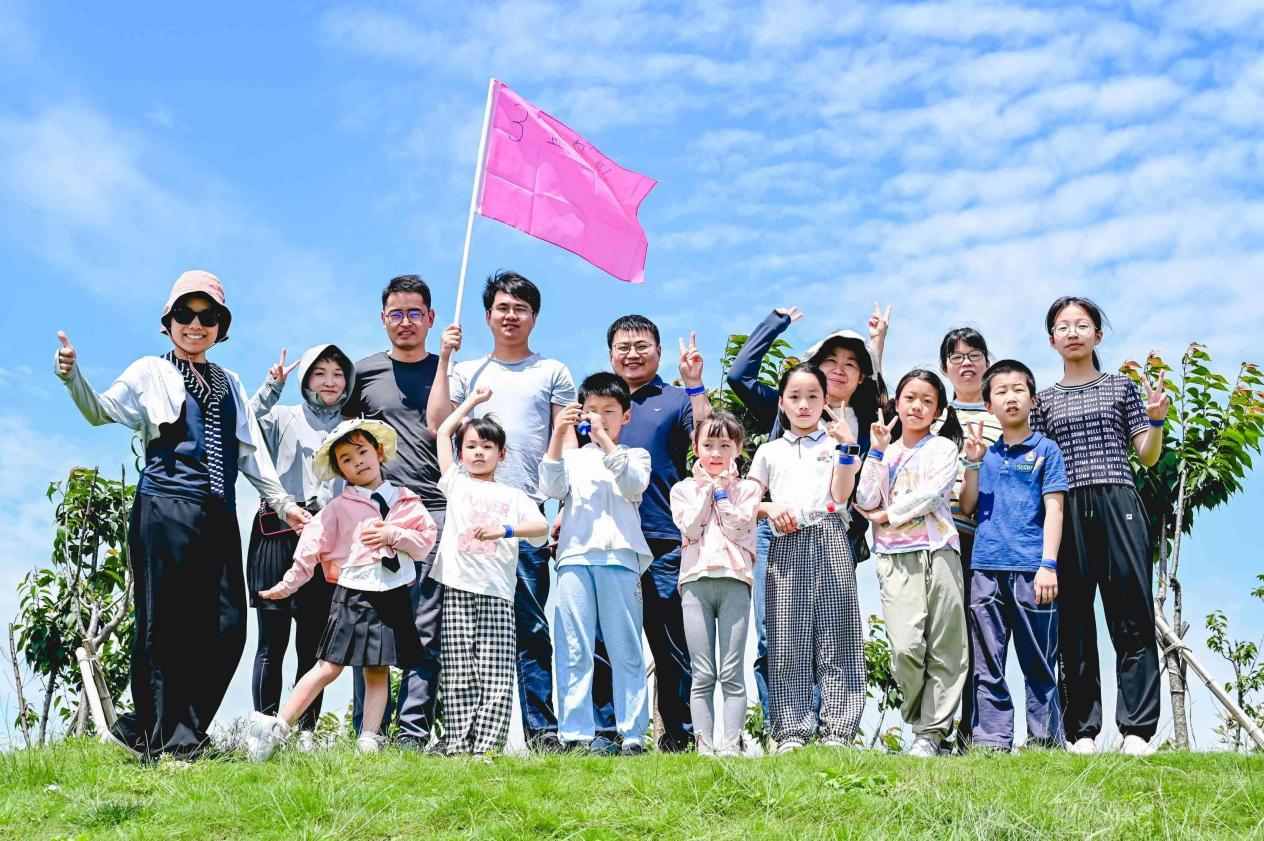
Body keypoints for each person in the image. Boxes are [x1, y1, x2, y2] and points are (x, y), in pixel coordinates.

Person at [55, 270, 310, 761]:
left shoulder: (230, 382)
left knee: (228, 625)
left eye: (207, 316)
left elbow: (251, 453)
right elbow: (99, 410)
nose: (196, 325)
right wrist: (72, 376)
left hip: (218, 512)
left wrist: (284, 504)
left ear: (220, 326)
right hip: (164, 507)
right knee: (165, 624)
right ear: (168, 321)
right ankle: (171, 743)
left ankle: (151, 727)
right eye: (185, 315)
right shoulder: (150, 370)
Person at [427, 270, 577, 751]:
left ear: (534, 316)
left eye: (521, 309)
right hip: (470, 519)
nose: (511, 316)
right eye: (502, 308)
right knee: (462, 634)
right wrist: (445, 358)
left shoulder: (552, 371)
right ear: (488, 315)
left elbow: (566, 439)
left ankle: (542, 731)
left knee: (530, 624)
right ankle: (459, 735)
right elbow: (438, 423)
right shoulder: (468, 370)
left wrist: (566, 503)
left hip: (525, 512)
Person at [725, 303, 889, 729]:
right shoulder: (788, 413)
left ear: (861, 376)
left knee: (830, 632)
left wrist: (878, 345)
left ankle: (826, 726)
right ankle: (785, 728)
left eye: (851, 364)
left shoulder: (867, 419)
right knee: (776, 633)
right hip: (779, 532)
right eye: (831, 360)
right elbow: (740, 376)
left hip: (835, 534)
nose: (840, 370)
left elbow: (881, 392)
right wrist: (774, 323)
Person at [246, 419, 438, 760]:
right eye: (346, 459)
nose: (357, 462)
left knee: (377, 668)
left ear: (379, 453)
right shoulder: (338, 508)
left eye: (362, 452)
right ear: (340, 472)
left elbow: (425, 542)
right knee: (328, 666)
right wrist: (288, 585)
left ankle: (369, 739)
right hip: (354, 593)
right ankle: (277, 727)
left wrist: (394, 535)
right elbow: (310, 547)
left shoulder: (406, 500)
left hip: (392, 592)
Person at [1033, 296, 1168, 756]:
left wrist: (1156, 421)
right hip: (1066, 507)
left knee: (1132, 615)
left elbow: (1147, 456)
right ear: (1051, 340)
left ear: (1098, 334)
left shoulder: (1120, 387)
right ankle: (1082, 731)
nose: (1072, 333)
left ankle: (1137, 730)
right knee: (1072, 618)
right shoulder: (1043, 401)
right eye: (1063, 326)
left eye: (1081, 325)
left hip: (1119, 501)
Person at [589, 314, 712, 753]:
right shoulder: (596, 403)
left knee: (670, 640)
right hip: (606, 539)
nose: (632, 354)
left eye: (642, 346)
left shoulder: (676, 399)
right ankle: (606, 734)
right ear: (610, 354)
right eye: (623, 347)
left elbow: (707, 440)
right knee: (605, 640)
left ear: (658, 352)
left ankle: (678, 734)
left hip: (662, 536)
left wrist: (694, 384)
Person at [340, 275, 447, 748]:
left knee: (426, 623)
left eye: (414, 313)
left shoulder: (447, 371)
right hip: (374, 511)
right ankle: (369, 731)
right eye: (396, 314)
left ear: (430, 318)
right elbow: (342, 443)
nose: (406, 322)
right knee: (372, 622)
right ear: (383, 319)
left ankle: (412, 732)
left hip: (432, 508)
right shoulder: (363, 373)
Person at [748, 363, 866, 753]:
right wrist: (769, 507)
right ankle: (791, 731)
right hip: (786, 538)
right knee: (786, 637)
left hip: (830, 533)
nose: (804, 405)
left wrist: (848, 447)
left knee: (838, 634)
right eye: (795, 397)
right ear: (782, 403)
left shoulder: (836, 444)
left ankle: (838, 730)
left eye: (813, 396)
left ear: (825, 400)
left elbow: (841, 494)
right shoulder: (769, 450)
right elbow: (748, 500)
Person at [244, 344, 353, 752]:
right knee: (271, 641)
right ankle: (262, 729)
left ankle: (304, 732)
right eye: (319, 373)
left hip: (328, 542)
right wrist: (271, 387)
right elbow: (241, 423)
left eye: (338, 374)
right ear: (305, 380)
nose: (330, 381)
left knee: (313, 644)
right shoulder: (282, 417)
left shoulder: (352, 427)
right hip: (277, 532)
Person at [432, 387, 550, 757]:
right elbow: (442, 432)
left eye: (487, 446)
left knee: (496, 672)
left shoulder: (514, 496)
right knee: (458, 671)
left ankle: (486, 748)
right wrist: (471, 404)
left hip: (498, 592)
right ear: (461, 453)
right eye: (471, 446)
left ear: (502, 454)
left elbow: (542, 529)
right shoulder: (456, 483)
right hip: (457, 588)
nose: (478, 452)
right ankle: (457, 744)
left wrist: (506, 530)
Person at [539, 373, 653, 754]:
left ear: (626, 416)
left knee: (626, 649)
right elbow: (550, 487)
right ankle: (575, 733)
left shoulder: (636, 455)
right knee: (573, 647)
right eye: (591, 411)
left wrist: (604, 440)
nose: (599, 419)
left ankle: (633, 734)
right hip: (574, 557)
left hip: (620, 557)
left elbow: (633, 485)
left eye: (609, 412)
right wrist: (558, 434)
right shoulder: (572, 458)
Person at [854, 369, 966, 758]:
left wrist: (889, 514)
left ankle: (930, 733)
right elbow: (864, 500)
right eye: (910, 398)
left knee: (946, 645)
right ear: (896, 403)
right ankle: (922, 720)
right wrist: (876, 452)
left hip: (939, 550)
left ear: (938, 411)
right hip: (894, 557)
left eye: (927, 401)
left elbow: (934, 494)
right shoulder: (884, 451)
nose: (917, 406)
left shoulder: (943, 448)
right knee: (905, 647)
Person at [958, 360, 1068, 752]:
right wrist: (972, 463)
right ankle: (991, 740)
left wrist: (1048, 564)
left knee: (1039, 660)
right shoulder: (983, 454)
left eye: (1018, 389)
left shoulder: (1047, 451)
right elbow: (967, 506)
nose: (1011, 397)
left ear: (1033, 399)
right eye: (1001, 391)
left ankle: (1045, 741)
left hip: (1032, 570)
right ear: (988, 405)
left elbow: (1055, 509)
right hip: (985, 569)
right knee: (987, 661)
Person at [670, 411, 761, 756]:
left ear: (738, 448)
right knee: (703, 671)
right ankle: (704, 746)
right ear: (695, 448)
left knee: (732, 670)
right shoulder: (683, 489)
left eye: (725, 445)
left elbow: (739, 528)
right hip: (695, 583)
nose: (716, 453)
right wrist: (706, 492)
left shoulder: (748, 489)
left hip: (735, 580)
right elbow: (690, 529)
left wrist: (721, 494)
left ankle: (731, 744)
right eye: (708, 444)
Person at [934, 327, 1002, 749]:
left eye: (974, 355)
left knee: (984, 635)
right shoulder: (936, 416)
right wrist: (879, 346)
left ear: (987, 362)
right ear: (945, 368)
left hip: (989, 539)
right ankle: (937, 730)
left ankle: (977, 731)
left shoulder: (1003, 414)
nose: (966, 363)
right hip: (944, 538)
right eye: (956, 357)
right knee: (945, 634)